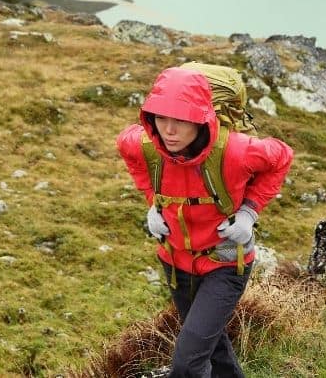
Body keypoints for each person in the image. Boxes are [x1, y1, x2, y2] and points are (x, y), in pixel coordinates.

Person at [117, 66, 294, 377]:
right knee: (212, 347)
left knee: (187, 362)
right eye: (161, 118)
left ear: (200, 118)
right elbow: (127, 152)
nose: (168, 130)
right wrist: (153, 203)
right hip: (176, 264)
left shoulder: (236, 151)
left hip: (225, 265)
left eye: (180, 120)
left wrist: (249, 212)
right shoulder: (143, 144)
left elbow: (281, 156)